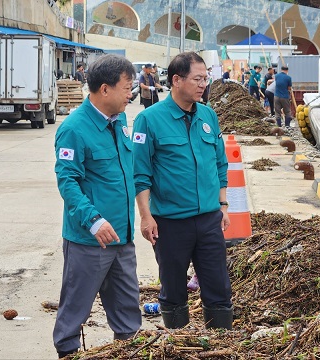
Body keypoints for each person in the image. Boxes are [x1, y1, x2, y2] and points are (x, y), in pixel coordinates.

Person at [132, 52, 233, 330]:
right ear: (177, 80)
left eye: (205, 78)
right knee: (173, 286)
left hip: (209, 219)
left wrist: (223, 205)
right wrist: (145, 216)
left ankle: (220, 340)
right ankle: (178, 339)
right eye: (197, 79)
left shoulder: (208, 115)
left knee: (218, 286)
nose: (203, 84)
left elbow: (220, 163)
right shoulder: (149, 120)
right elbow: (140, 174)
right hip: (170, 222)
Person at [53, 54, 141, 359]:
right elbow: (67, 182)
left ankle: (127, 353)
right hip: (89, 241)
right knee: (74, 311)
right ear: (105, 89)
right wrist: (93, 220)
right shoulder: (74, 129)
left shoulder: (121, 121)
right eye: (127, 87)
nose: (131, 93)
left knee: (129, 314)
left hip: (122, 236)